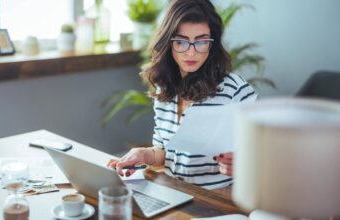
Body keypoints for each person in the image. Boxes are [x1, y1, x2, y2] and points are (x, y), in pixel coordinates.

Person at [108, 0, 257, 190]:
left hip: (217, 200)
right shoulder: (164, 89)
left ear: (212, 44)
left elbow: (264, 155)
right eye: (181, 41)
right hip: (175, 194)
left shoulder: (234, 90)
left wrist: (243, 163)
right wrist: (144, 154)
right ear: (168, 43)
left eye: (201, 41)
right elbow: (164, 153)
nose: (191, 52)